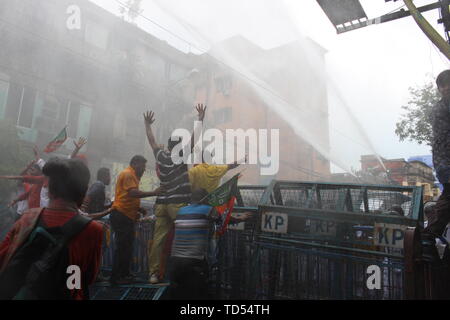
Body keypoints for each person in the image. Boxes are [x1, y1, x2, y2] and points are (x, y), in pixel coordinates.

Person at [0, 158, 103, 300]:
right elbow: (89, 276)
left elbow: (3, 257)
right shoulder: (93, 230)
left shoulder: (27, 219)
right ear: (83, 192)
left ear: (49, 190)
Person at [143, 104, 206, 284]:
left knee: (158, 240)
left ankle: (153, 274)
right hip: (177, 204)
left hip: (161, 202)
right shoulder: (180, 155)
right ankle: (181, 274)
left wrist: (147, 124)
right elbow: (194, 140)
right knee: (184, 238)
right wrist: (200, 119)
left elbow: (152, 141)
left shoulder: (161, 156)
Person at [166, 188, 252, 300]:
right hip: (195, 260)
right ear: (205, 199)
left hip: (175, 260)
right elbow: (224, 219)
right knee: (198, 293)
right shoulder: (208, 209)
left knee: (179, 292)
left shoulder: (181, 211)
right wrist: (241, 218)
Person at [109, 155, 164, 285]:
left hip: (125, 215)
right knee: (123, 248)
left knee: (126, 247)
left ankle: (124, 274)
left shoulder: (131, 175)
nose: (144, 169)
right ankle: (117, 277)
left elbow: (126, 196)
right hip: (121, 215)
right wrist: (154, 193)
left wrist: (138, 208)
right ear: (135, 163)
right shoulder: (128, 174)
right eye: (143, 166)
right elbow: (132, 193)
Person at [424, 70, 450, 245]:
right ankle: (427, 235)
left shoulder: (440, 107)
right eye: (444, 85)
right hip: (446, 161)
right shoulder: (443, 107)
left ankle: (428, 235)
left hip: (443, 161)